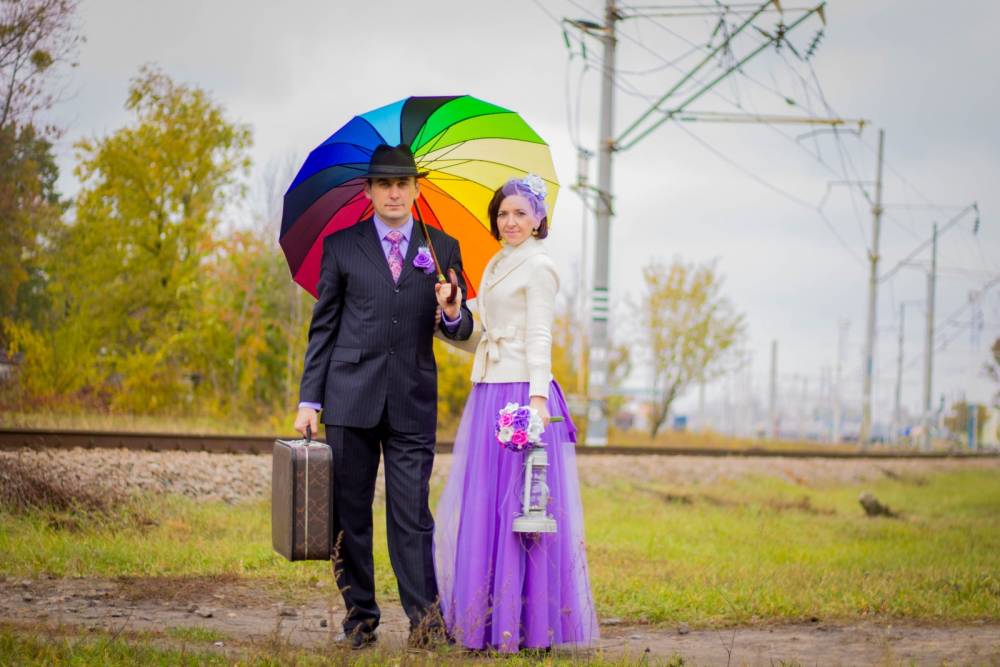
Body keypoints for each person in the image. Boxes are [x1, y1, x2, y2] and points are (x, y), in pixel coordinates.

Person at [294, 143, 473, 649]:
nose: (394, 193)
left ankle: (426, 623)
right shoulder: (341, 247)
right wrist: (309, 400)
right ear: (369, 191)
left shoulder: (442, 248)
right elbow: (323, 329)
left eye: (402, 184)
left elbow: (460, 329)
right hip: (349, 397)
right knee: (349, 514)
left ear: (416, 190)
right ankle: (360, 619)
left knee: (411, 514)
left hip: (412, 399)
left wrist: (452, 311)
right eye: (384, 185)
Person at [433, 174, 598, 652]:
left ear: (539, 218)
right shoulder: (496, 263)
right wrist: (451, 313)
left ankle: (527, 626)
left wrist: (538, 400)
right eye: (503, 213)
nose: (510, 221)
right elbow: (485, 335)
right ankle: (486, 622)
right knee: (488, 502)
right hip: (489, 390)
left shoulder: (539, 266)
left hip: (521, 395)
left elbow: (540, 336)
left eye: (520, 213)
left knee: (521, 508)